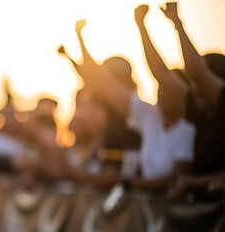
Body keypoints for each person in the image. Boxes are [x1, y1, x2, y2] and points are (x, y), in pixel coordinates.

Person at [71, 11, 195, 194]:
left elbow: (174, 181)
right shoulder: (150, 115)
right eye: (160, 87)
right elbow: (100, 82)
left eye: (169, 89)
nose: (162, 93)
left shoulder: (188, 129)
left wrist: (124, 182)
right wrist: (80, 39)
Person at [160, 2, 225, 200]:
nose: (193, 87)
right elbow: (161, 75)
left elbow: (197, 73)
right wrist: (141, 26)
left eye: (200, 82)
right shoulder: (197, 111)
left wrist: (178, 24)